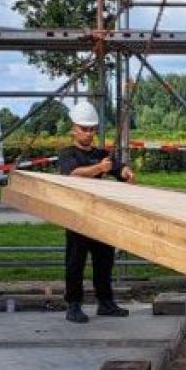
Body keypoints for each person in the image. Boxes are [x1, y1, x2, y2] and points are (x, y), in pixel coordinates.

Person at [58, 100, 136, 324]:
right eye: (84, 129)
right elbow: (72, 174)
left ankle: (106, 303)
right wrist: (99, 168)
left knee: (104, 261)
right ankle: (74, 305)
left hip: (101, 217)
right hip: (77, 216)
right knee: (75, 262)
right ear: (74, 129)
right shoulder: (67, 154)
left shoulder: (101, 154)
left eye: (92, 129)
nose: (89, 133)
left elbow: (117, 168)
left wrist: (126, 172)